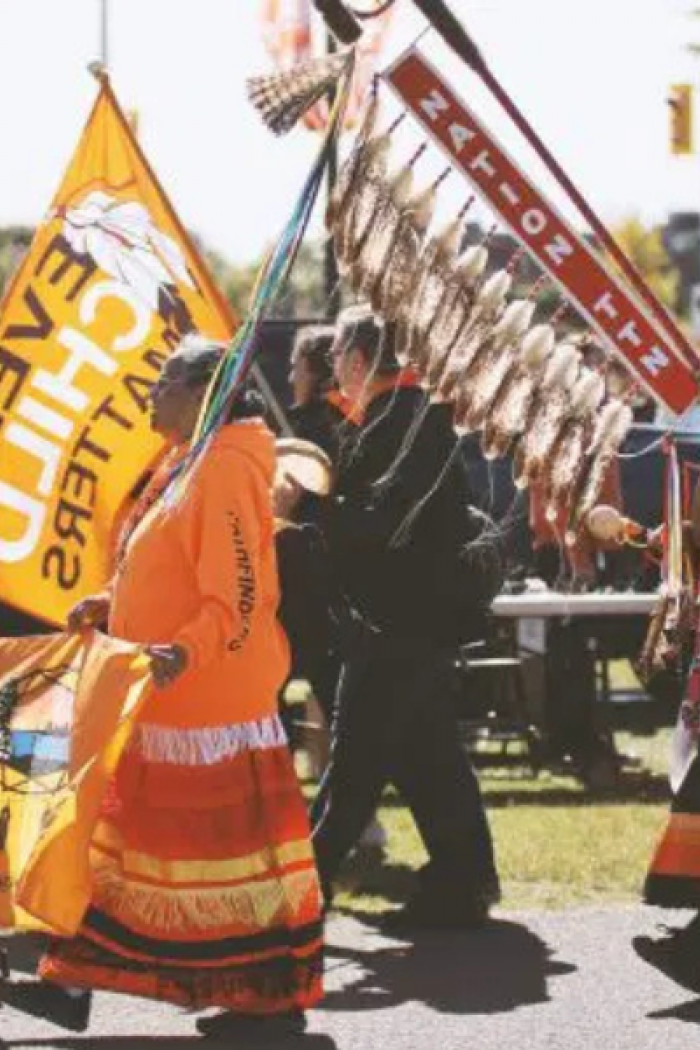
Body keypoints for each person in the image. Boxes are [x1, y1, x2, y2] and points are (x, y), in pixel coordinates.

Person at [34, 335, 324, 1038]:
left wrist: (182, 651)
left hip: (208, 702)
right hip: (163, 695)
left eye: (164, 383)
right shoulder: (184, 462)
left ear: (204, 394)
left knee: (222, 864)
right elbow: (159, 560)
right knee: (130, 852)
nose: (151, 395)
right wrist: (110, 602)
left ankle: (266, 1001)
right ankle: (75, 979)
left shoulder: (223, 468)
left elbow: (238, 594)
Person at [310, 304, 501, 930]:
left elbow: (385, 526)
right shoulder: (407, 420)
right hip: (409, 623)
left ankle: (305, 893)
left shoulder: (403, 424)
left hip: (398, 624)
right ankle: (464, 882)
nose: (333, 369)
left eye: (337, 356)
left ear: (360, 360)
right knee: (429, 759)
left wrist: (312, 510)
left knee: (356, 761)